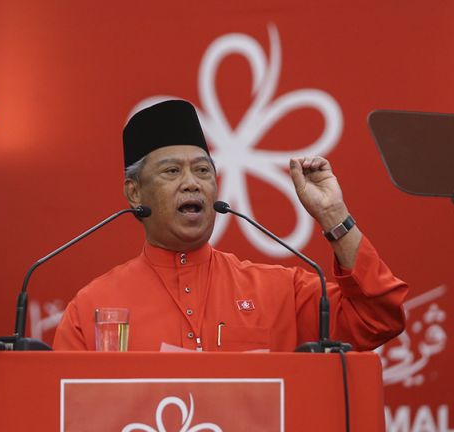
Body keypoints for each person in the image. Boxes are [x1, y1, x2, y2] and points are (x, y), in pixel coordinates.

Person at [53, 99, 408, 352]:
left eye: (203, 170)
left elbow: (377, 319)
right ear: (134, 193)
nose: (192, 183)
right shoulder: (93, 308)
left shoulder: (279, 292)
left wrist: (333, 215)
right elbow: (70, 423)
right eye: (172, 171)